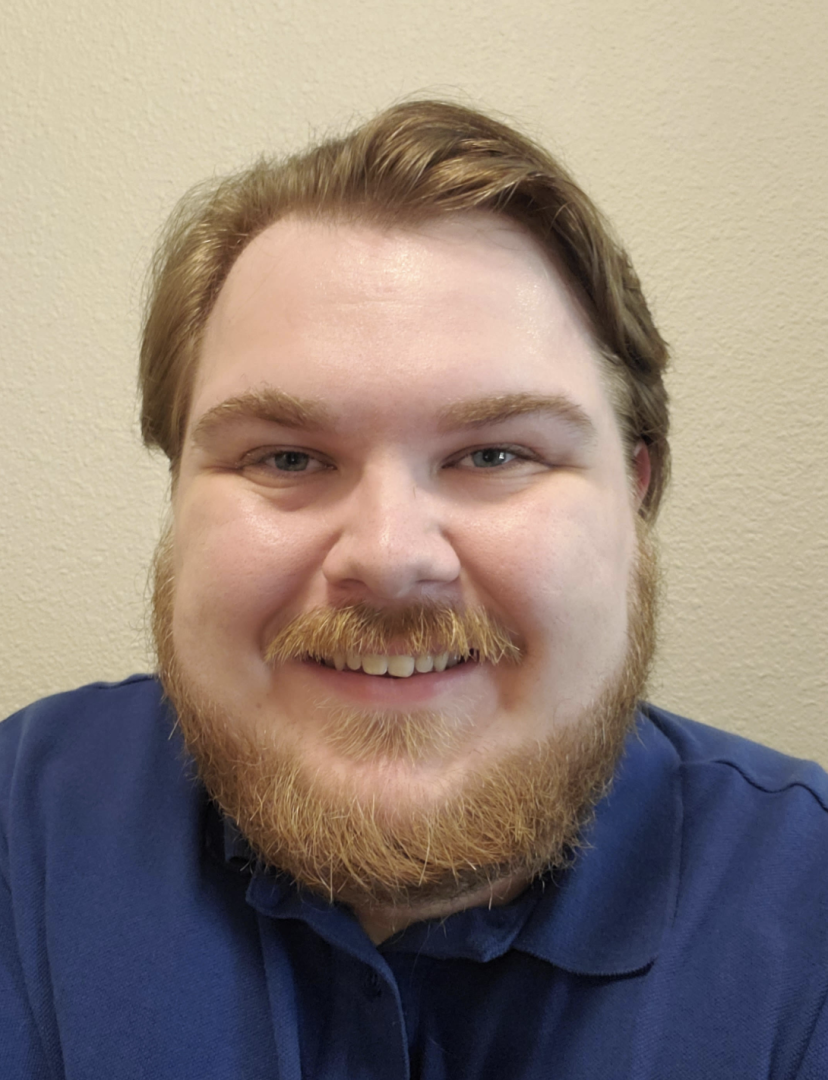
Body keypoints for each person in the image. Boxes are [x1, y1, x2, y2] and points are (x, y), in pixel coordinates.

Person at [1, 100, 825, 1079]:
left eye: (495, 453)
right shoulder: (22, 827)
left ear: (635, 494)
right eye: (287, 457)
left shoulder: (806, 909)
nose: (391, 559)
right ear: (176, 489)